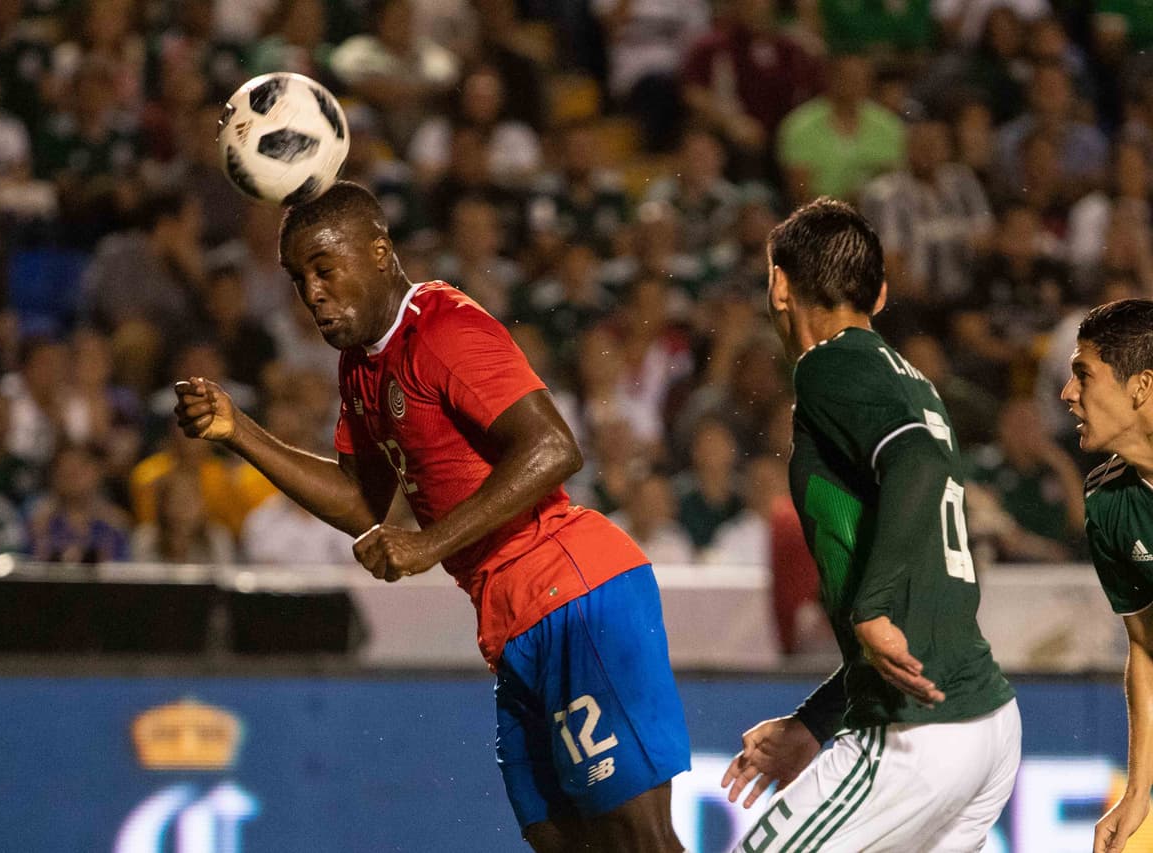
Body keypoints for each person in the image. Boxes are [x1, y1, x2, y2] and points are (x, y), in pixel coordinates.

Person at [174, 181, 689, 852]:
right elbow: (362, 503)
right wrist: (239, 431)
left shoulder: (444, 327)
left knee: (639, 841)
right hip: (513, 620)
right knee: (562, 840)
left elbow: (555, 446)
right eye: (300, 278)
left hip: (575, 591)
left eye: (325, 268)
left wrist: (425, 545)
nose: (313, 292)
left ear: (380, 252)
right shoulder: (361, 368)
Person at [721, 198, 1020, 851]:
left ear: (778, 283)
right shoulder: (910, 382)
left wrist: (870, 607)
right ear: (879, 294)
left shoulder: (832, 362)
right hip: (981, 720)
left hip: (916, 734)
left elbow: (913, 464)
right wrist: (815, 720)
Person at [1060, 298, 1153, 853]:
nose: (1068, 394)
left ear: (1140, 386)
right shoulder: (1108, 502)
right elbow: (1145, 645)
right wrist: (1138, 790)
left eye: (1083, 374)